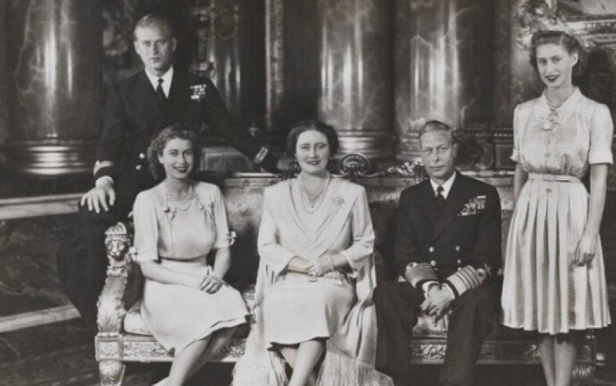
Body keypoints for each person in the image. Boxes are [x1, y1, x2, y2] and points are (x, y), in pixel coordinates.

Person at [56, 13, 283, 331]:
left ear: (172, 44)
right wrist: (104, 180)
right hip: (136, 179)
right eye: (146, 43)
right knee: (78, 238)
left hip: (181, 178)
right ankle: (104, 316)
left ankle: (203, 315)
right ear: (136, 47)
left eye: (160, 42)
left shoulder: (198, 88)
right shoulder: (123, 90)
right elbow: (109, 142)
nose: (153, 50)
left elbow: (232, 130)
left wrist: (270, 160)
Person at [232, 120, 392, 386]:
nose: (313, 154)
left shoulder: (353, 193)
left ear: (331, 151)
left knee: (318, 302)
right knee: (272, 304)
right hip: (289, 278)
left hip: (333, 281)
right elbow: (267, 246)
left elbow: (365, 242)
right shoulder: (276, 194)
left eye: (320, 146)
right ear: (294, 153)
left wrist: (331, 262)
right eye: (305, 147)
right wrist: (302, 266)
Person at [501, 30, 612, 386]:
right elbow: (519, 170)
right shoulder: (524, 112)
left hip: (571, 212)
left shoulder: (594, 113)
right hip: (531, 213)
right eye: (543, 61)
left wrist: (590, 233)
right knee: (540, 307)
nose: (549, 68)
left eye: (556, 59)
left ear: (573, 59)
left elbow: (598, 179)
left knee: (565, 307)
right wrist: (519, 220)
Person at [374, 120, 502, 386]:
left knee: (478, 302)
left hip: (467, 286)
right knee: (387, 293)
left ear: (454, 149)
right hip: (429, 282)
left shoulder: (482, 193)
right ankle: (397, 379)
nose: (435, 157)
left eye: (441, 149)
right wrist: (432, 289)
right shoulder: (411, 197)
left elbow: (488, 258)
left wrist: (449, 291)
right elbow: (404, 254)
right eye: (428, 150)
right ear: (421, 154)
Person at [132, 124, 248, 386]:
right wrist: (192, 283)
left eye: (187, 154)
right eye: (173, 153)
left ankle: (171, 383)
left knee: (232, 309)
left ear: (195, 157)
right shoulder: (147, 199)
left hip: (205, 275)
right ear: (159, 157)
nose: (181, 161)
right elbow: (148, 267)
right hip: (165, 284)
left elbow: (223, 250)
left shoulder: (210, 193)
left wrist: (217, 276)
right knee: (204, 312)